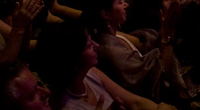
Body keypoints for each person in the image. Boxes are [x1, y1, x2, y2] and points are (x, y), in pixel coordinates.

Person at [33, 22, 173, 110]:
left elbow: (134, 101)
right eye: (88, 45)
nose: (97, 46)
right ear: (73, 58)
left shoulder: (89, 73)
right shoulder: (65, 105)